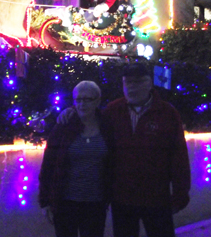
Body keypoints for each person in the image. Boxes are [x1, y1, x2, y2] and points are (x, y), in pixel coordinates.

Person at [57, 63, 191, 237]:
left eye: (138, 82)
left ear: (150, 83)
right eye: (127, 82)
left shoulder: (167, 113)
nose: (132, 87)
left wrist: (180, 195)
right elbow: (90, 115)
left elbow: (179, 156)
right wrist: (72, 110)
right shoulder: (113, 110)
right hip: (122, 198)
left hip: (157, 197)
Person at [38, 80, 114, 237]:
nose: (82, 104)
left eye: (88, 99)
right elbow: (49, 165)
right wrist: (45, 200)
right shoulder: (64, 126)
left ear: (98, 101)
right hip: (65, 202)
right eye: (78, 100)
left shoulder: (107, 125)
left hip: (95, 203)